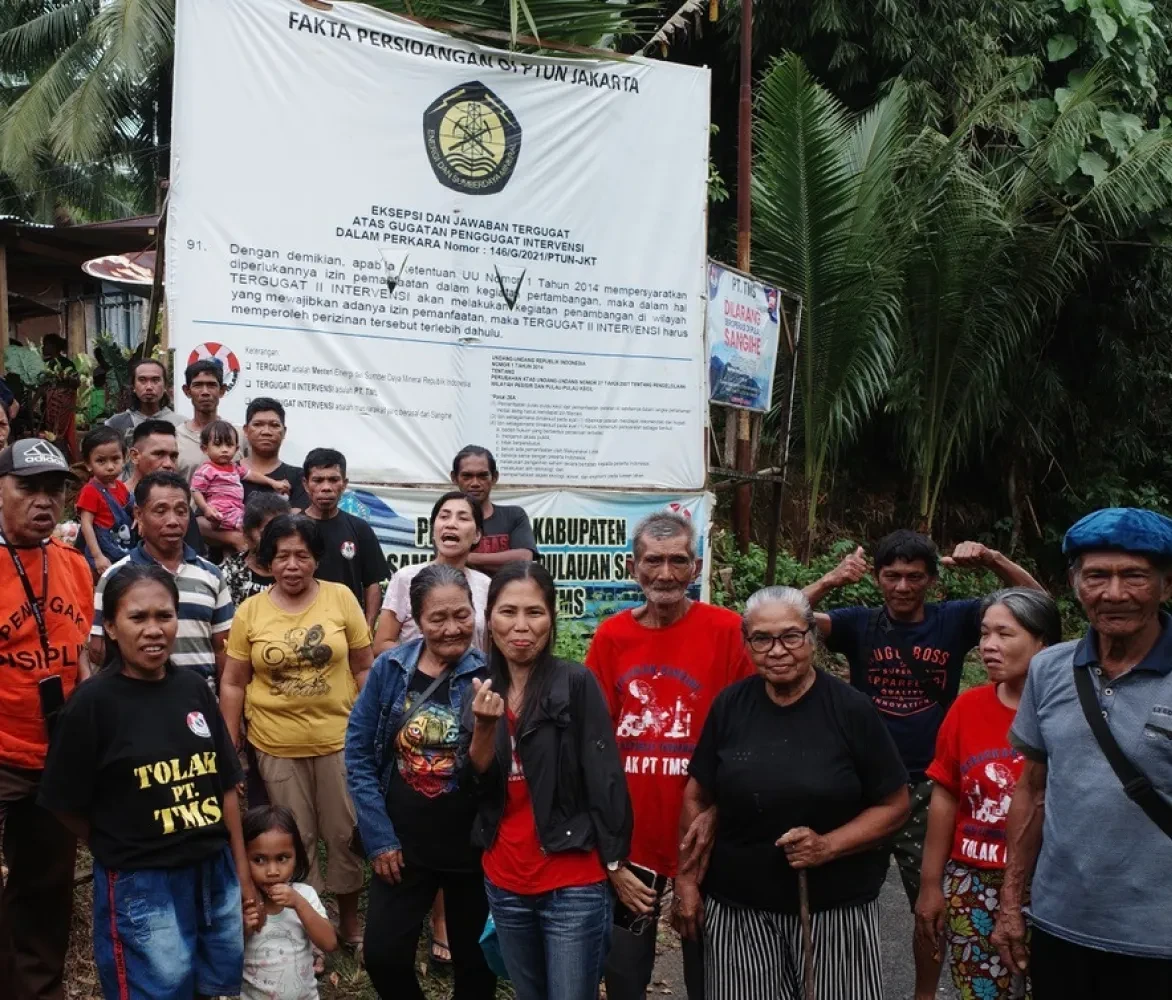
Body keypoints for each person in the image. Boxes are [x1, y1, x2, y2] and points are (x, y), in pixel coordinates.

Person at [803, 529, 1043, 995]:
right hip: (863, 786)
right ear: (876, 578)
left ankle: (924, 994)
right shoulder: (857, 624)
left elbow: (1038, 609)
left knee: (928, 907)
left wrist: (994, 560)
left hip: (930, 785)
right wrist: (831, 580)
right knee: (844, 899)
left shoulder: (952, 620)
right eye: (891, 576)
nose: (902, 586)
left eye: (914, 576)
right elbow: (780, 619)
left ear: (932, 580)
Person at [673, 586, 909, 1000]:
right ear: (747, 643)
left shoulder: (851, 710)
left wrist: (828, 845)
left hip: (834, 912)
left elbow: (894, 805)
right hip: (738, 910)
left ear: (811, 639)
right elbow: (697, 794)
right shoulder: (731, 705)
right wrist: (688, 880)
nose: (777, 650)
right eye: (761, 639)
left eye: (790, 636)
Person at [38, 563, 251, 1000]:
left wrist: (242, 873)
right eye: (138, 618)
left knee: (212, 982)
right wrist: (113, 841)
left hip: (213, 871)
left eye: (164, 616)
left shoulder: (193, 689)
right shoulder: (92, 705)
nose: (154, 630)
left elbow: (225, 785)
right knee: (157, 988)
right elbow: (62, 800)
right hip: (142, 880)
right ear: (111, 627)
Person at [993, 508, 1172, 998]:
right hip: (1060, 927)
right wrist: (1012, 903)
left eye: (1134, 576)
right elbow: (1031, 789)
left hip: (1160, 942)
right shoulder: (1049, 668)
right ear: (1074, 584)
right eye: (1097, 576)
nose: (1113, 594)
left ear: (1166, 585)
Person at [586, 511, 753, 1000]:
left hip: (707, 835)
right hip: (632, 836)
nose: (665, 574)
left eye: (678, 561)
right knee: (623, 970)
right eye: (653, 561)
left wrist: (723, 810)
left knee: (709, 971)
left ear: (696, 566)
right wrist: (610, 857)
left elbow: (751, 730)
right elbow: (592, 745)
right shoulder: (612, 637)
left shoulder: (727, 631)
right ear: (632, 566)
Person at [467, 561, 631, 1000]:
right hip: (504, 879)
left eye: (534, 612)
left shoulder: (575, 682)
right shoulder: (479, 686)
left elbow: (605, 777)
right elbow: (477, 787)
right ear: (490, 617)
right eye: (508, 612)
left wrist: (614, 863)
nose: (521, 626)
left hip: (571, 880)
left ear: (552, 618)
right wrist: (484, 725)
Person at [220, 514, 374, 948]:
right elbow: (233, 681)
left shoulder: (341, 598)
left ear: (316, 559)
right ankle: (306, 926)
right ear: (268, 561)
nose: (292, 565)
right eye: (282, 556)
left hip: (340, 739)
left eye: (302, 555)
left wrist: (370, 727)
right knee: (295, 840)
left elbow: (364, 668)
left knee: (344, 834)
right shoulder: (250, 610)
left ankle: (350, 923)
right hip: (275, 743)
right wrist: (230, 740)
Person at [346, 563, 496, 1000]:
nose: (452, 628)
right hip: (402, 848)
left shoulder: (493, 672)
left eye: (462, 615)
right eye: (438, 618)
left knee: (477, 964)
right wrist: (379, 839)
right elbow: (358, 754)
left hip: (473, 848)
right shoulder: (391, 669)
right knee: (384, 956)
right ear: (416, 619)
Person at [915, 588, 1060, 1000]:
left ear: (1043, 643)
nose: (989, 646)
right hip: (972, 882)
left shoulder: (1066, 712)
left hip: (1050, 883)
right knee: (980, 992)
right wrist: (931, 884)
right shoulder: (967, 707)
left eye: (1005, 634)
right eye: (984, 634)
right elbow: (945, 795)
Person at [0, 439, 93, 1000]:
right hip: (1, 753)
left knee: (46, 886)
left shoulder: (76, 566)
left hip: (56, 754)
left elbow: (84, 657)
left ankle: (37, 990)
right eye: (27, 487)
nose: (43, 501)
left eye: (53, 489)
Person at [90, 471, 234, 686]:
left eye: (181, 511)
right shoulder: (115, 576)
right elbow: (99, 650)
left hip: (200, 705)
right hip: (137, 704)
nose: (173, 521)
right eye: (161, 511)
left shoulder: (212, 575)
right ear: (138, 515)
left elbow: (224, 649)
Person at [375, 491, 490, 655]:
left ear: (477, 535)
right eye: (444, 517)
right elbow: (381, 645)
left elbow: (488, 651)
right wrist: (428, 659)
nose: (451, 524)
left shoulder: (485, 585)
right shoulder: (406, 578)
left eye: (463, 518)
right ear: (433, 531)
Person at [242, 805, 338, 1000]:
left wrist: (299, 904)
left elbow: (329, 943)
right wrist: (243, 929)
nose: (272, 871)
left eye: (282, 858)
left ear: (296, 857)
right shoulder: (241, 904)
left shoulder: (304, 895)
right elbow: (224, 958)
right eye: (259, 860)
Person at [303, 447, 387, 628]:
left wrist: (367, 627)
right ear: (305, 484)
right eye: (318, 480)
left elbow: (372, 583)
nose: (326, 487)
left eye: (333, 480)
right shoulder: (292, 528)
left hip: (348, 629)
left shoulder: (360, 528)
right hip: (300, 625)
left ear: (344, 483)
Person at [192, 419, 289, 552]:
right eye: (218, 445)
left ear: (237, 448)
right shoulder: (205, 470)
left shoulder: (234, 468)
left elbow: (252, 475)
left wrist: (273, 483)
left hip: (237, 509)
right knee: (250, 528)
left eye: (229, 445)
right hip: (221, 509)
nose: (224, 450)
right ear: (204, 448)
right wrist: (206, 509)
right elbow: (196, 490)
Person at [451, 445, 537, 574]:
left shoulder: (514, 516)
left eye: (482, 476)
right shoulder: (448, 521)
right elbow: (448, 562)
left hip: (507, 594)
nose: (475, 483)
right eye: (467, 476)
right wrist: (505, 561)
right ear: (454, 478)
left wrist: (466, 557)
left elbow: (524, 558)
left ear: (494, 477)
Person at [125, 418, 205, 555]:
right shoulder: (108, 500)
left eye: (173, 456)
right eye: (159, 454)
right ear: (134, 456)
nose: (168, 464)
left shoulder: (178, 504)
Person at [74, 425, 134, 574]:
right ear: (88, 464)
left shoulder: (121, 487)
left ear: (125, 458)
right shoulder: (90, 491)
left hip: (122, 546)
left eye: (115, 459)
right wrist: (98, 556)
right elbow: (86, 525)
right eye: (101, 461)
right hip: (102, 551)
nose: (110, 467)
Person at [222, 493, 290, 606]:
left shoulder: (299, 569)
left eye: (281, 531)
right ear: (247, 534)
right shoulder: (229, 574)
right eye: (265, 532)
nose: (275, 538)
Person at [241, 398, 310, 511]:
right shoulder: (226, 471)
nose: (266, 432)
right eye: (258, 424)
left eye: (274, 425)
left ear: (284, 432)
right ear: (246, 430)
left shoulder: (298, 477)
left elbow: (297, 521)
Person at [177, 359, 239, 482]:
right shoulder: (176, 438)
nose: (205, 392)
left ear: (222, 390)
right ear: (187, 391)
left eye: (211, 385)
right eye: (198, 385)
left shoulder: (238, 435)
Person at [104, 356, 183, 448]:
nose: (149, 387)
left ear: (165, 385)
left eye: (155, 380)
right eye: (142, 380)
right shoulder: (115, 424)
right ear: (133, 386)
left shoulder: (180, 425)